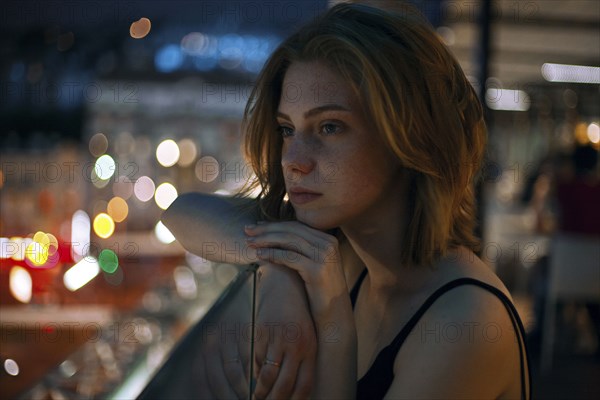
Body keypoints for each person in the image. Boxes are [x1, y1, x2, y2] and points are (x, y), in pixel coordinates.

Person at [163, 2, 531, 399]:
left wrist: (334, 323)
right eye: (288, 129)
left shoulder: (464, 322)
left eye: (330, 127)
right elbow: (182, 212)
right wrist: (278, 269)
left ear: (407, 137)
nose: (293, 161)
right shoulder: (345, 250)